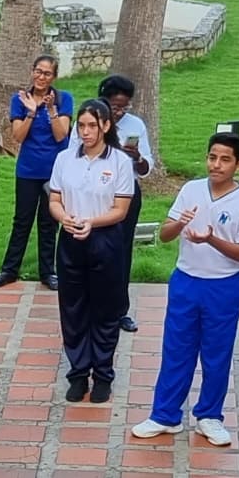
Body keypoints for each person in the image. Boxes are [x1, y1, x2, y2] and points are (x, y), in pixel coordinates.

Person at [131, 131, 239, 448]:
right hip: (186, 282)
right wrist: (180, 224)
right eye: (212, 157)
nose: (216, 165)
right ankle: (165, 415)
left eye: (225, 159)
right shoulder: (191, 190)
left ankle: (210, 416)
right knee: (176, 350)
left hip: (223, 287)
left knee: (216, 354)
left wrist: (211, 239)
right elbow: (165, 234)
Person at [48, 101, 139, 405]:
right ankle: (78, 374)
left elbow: (120, 210)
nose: (85, 132)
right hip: (70, 239)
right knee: (73, 309)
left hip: (105, 241)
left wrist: (91, 222)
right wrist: (65, 218)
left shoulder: (120, 162)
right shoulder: (64, 159)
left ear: (106, 126)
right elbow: (54, 200)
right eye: (81, 126)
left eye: (92, 126)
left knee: (105, 310)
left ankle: (102, 375)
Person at [78, 75, 155, 331]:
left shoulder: (135, 125)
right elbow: (74, 159)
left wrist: (137, 157)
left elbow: (146, 169)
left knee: (121, 252)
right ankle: (87, 307)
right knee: (90, 250)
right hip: (93, 195)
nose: (120, 112)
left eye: (125, 106)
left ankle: (119, 310)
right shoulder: (87, 124)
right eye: (115, 106)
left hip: (126, 195)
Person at [0, 55, 74, 288]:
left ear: (54, 77)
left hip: (54, 172)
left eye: (47, 73)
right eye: (38, 71)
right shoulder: (20, 99)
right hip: (28, 170)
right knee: (22, 221)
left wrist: (51, 109)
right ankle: (9, 270)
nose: (41, 77)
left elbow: (61, 135)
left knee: (49, 223)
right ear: (32, 71)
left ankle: (48, 273)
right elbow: (18, 136)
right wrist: (31, 112)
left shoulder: (64, 99)